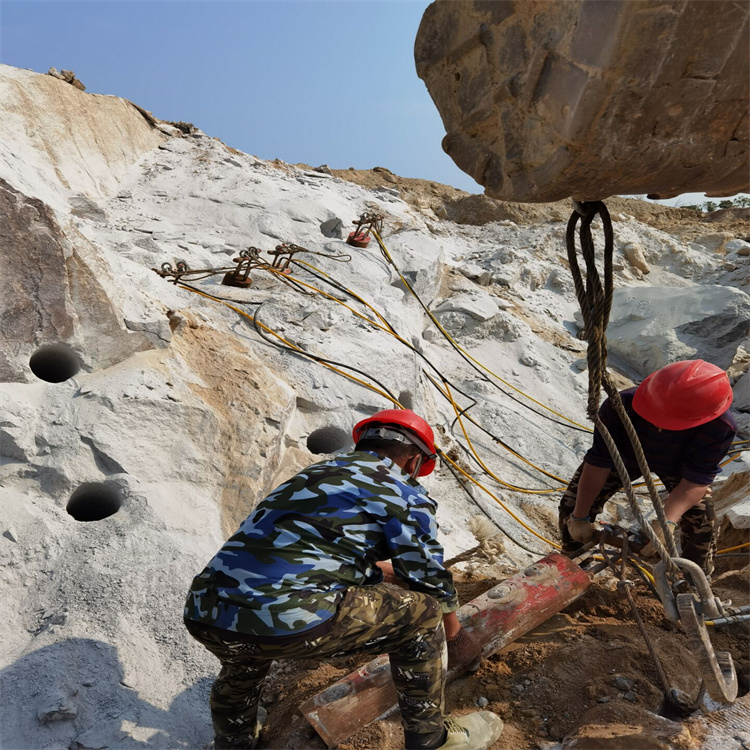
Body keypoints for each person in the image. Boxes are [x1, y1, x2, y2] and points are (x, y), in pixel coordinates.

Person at [184, 408, 504, 750]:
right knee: (423, 613)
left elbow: (299, 552)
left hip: (206, 610)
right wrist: (455, 638)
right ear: (413, 461)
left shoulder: (312, 476)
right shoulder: (405, 491)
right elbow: (427, 576)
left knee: (243, 660)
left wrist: (382, 573)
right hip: (288, 617)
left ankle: (234, 743)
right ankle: (433, 741)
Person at [559, 359, 736, 575]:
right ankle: (573, 564)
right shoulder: (620, 405)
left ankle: (694, 581)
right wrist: (579, 515)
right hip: (624, 458)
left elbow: (695, 481)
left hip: (679, 469)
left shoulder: (719, 427)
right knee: (572, 501)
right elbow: (598, 463)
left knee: (704, 522)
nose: (659, 424)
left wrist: (666, 523)